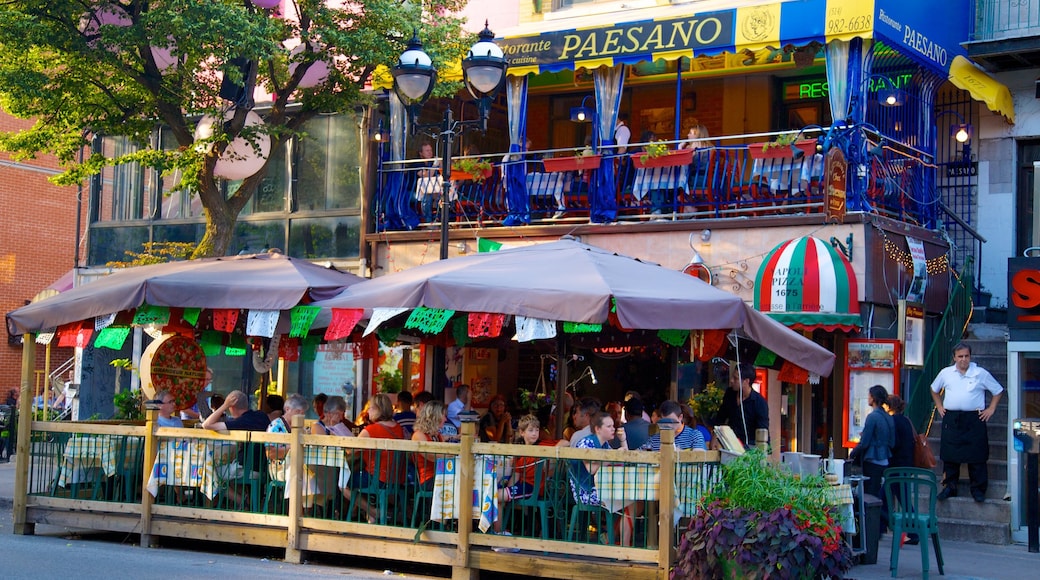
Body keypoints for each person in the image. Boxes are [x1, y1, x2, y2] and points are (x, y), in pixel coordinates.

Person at [930, 342, 1004, 502]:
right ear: (954, 358)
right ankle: (950, 486)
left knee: (977, 454)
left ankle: (978, 490)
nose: (963, 359)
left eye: (966, 356)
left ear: (970, 357)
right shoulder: (946, 373)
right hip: (952, 418)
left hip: (974, 419)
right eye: (960, 356)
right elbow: (934, 389)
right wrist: (939, 406)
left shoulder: (980, 373)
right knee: (950, 454)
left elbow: (998, 391)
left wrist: (991, 409)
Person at [568, 411, 632, 546]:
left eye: (613, 426)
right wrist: (613, 456)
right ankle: (617, 542)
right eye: (609, 426)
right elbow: (591, 469)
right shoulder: (586, 443)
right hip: (585, 492)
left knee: (632, 499)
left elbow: (624, 460)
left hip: (599, 487)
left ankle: (615, 540)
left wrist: (623, 440)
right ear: (598, 429)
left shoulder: (603, 445)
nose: (613, 429)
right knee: (629, 499)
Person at [201, 390, 270, 508]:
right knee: (227, 474)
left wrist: (224, 405)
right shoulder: (262, 416)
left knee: (210, 473)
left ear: (231, 407)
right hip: (263, 468)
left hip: (248, 469)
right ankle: (245, 500)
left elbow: (206, 425)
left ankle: (241, 501)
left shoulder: (241, 421)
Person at [355, 393, 406, 523]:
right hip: (395, 478)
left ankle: (374, 512)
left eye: (371, 408)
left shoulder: (370, 430)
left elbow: (351, 450)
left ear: (378, 409)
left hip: (377, 479)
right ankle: (372, 514)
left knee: (343, 484)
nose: (368, 411)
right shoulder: (398, 428)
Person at [493, 414, 546, 538]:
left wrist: (508, 492)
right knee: (496, 495)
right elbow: (516, 476)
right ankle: (499, 531)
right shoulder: (520, 451)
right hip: (522, 486)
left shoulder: (542, 448)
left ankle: (498, 533)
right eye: (531, 430)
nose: (534, 433)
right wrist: (509, 491)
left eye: (537, 430)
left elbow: (564, 442)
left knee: (496, 496)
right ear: (522, 432)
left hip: (533, 488)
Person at [848, 385, 894, 500]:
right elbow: (892, 441)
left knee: (869, 495)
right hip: (885, 459)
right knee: (880, 495)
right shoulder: (889, 417)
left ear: (873, 398)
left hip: (872, 459)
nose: (868, 398)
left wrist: (853, 454)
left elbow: (864, 443)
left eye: (869, 396)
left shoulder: (872, 417)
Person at [887, 394, 919, 544]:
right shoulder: (906, 420)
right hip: (906, 464)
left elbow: (894, 443)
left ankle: (913, 533)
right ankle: (912, 533)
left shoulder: (893, 421)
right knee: (902, 499)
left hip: (896, 466)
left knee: (888, 497)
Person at [715, 363, 768, 447]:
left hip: (751, 448)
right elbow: (720, 418)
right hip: (730, 445)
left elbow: (763, 431)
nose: (731, 380)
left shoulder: (759, 402)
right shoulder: (730, 394)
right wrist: (715, 436)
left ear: (746, 381)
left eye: (735, 378)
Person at [411, 400, 448, 493]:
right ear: (435, 417)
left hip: (441, 476)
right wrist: (455, 455)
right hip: (428, 479)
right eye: (443, 415)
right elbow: (431, 456)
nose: (445, 419)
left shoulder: (437, 435)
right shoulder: (419, 435)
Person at [640, 400, 706, 451]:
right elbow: (638, 454)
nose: (668, 425)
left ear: (680, 417)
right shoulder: (654, 439)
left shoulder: (695, 436)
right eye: (664, 422)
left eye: (672, 421)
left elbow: (699, 459)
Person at [416, 141, 441, 223]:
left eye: (430, 150)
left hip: (434, 190)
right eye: (427, 151)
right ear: (421, 153)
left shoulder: (432, 162)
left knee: (444, 196)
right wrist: (434, 166)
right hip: (418, 192)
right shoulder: (417, 163)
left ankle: (440, 220)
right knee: (427, 197)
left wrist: (441, 164)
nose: (430, 152)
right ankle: (428, 222)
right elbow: (426, 176)